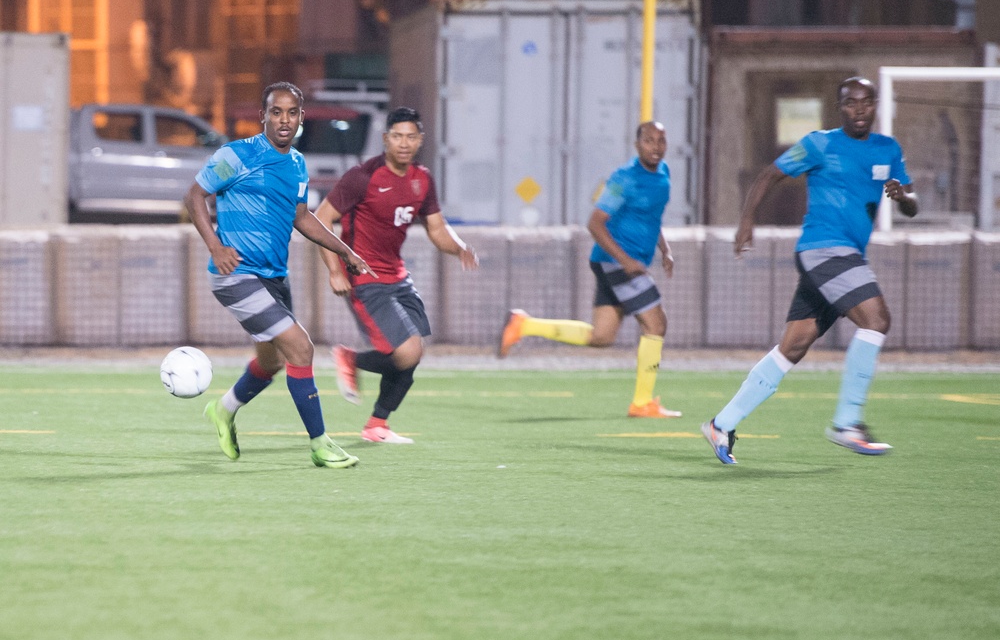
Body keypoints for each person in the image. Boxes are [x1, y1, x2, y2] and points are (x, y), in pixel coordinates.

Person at [701, 76, 919, 465]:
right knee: (877, 319)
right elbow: (770, 174)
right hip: (823, 249)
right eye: (850, 103)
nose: (858, 110)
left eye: (865, 102)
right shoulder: (820, 143)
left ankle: (722, 423)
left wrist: (904, 196)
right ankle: (848, 422)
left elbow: (911, 204)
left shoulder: (888, 150)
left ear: (875, 105)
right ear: (840, 107)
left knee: (794, 347)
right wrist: (746, 221)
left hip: (846, 256)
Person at [184, 81, 374, 469]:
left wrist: (346, 251)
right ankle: (321, 444)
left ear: (301, 118)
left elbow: (301, 218)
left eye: (291, 112)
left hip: (273, 277)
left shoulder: (298, 165)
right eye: (276, 111)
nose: (284, 120)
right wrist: (215, 248)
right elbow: (194, 196)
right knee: (301, 348)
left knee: (270, 362)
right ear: (263, 115)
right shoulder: (236, 155)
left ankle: (222, 411)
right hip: (235, 273)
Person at [314, 106, 479, 444]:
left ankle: (377, 425)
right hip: (364, 276)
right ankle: (350, 359)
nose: (404, 143)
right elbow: (320, 218)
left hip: (398, 278)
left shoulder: (422, 180)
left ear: (419, 140)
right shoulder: (363, 177)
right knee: (406, 351)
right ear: (386, 139)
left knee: (413, 355)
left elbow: (436, 228)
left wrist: (459, 247)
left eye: (411, 137)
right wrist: (335, 269)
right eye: (397, 136)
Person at [498, 121, 681, 419]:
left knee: (602, 337)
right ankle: (642, 403)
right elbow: (594, 223)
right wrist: (625, 261)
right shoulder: (624, 178)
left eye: (661, 140)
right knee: (656, 324)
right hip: (617, 262)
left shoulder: (663, 173)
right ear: (637, 145)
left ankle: (523, 325)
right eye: (649, 140)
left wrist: (665, 248)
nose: (656, 147)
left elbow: (652, 217)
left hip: (622, 262)